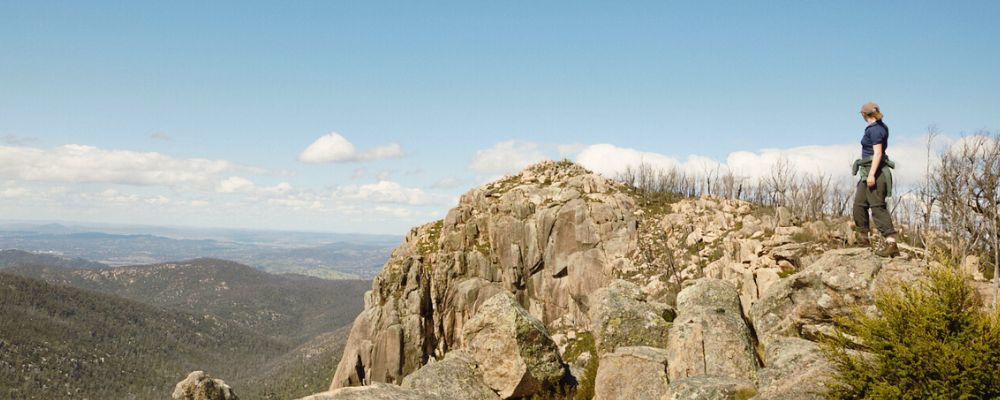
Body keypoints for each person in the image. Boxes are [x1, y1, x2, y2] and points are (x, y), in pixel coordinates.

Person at [852, 101, 899, 257]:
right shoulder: (876, 127)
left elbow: (878, 153)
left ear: (864, 114)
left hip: (876, 173)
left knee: (877, 207)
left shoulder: (877, 129)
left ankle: (891, 243)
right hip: (867, 172)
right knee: (859, 204)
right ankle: (863, 239)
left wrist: (872, 174)